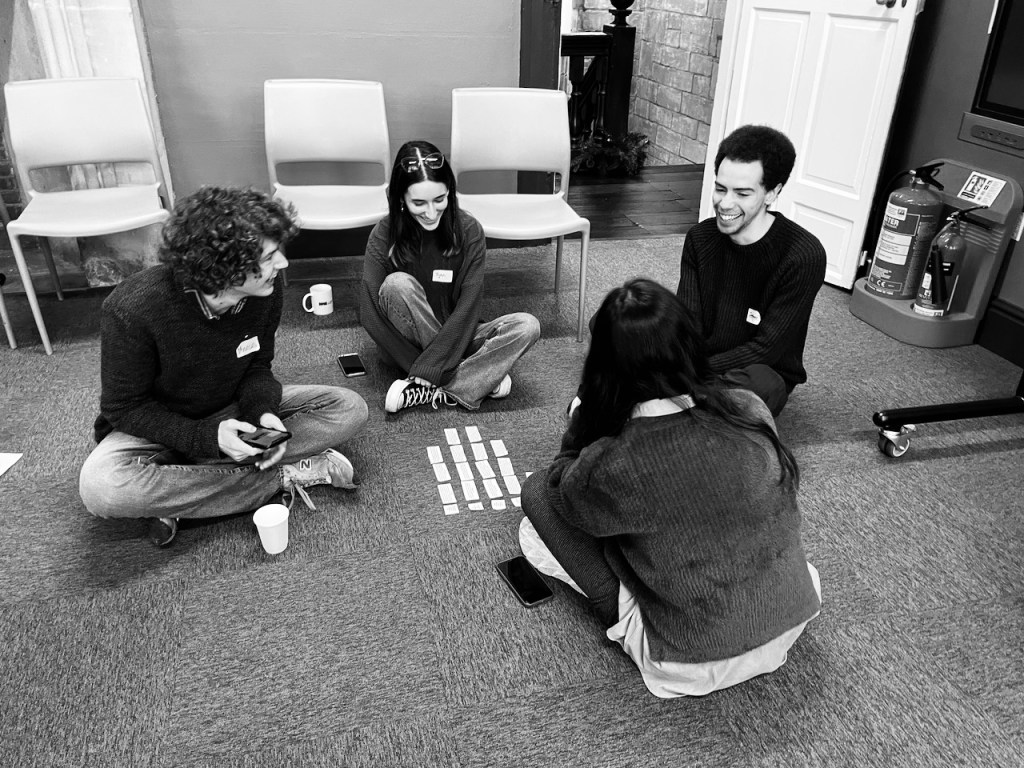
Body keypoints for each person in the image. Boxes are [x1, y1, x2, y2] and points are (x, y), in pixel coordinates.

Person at [520, 279, 821, 698]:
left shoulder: (614, 461)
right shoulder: (749, 408)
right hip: (790, 617)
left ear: (604, 370)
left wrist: (586, 420)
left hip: (688, 660)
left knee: (537, 492)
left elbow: (561, 489)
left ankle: (628, 621)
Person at [79, 186, 369, 546]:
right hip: (157, 428)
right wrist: (205, 438)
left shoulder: (265, 290)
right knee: (102, 488)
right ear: (222, 268)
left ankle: (180, 491)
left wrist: (262, 413)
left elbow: (258, 366)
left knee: (349, 408)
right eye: (269, 256)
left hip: (231, 411)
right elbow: (124, 408)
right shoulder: (133, 309)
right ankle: (278, 478)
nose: (283, 264)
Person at [359, 140, 540, 413]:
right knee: (397, 284)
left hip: (459, 332)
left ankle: (426, 386)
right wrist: (418, 365)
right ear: (400, 199)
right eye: (419, 203)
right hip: (408, 344)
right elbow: (369, 312)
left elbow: (469, 307)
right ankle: (477, 377)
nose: (431, 213)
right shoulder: (383, 234)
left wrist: (429, 370)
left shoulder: (469, 230)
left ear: (450, 193)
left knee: (527, 326)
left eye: (440, 200)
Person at [676, 124, 826, 416]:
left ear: (772, 193)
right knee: (619, 318)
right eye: (720, 189)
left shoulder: (803, 255)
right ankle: (685, 408)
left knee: (763, 384)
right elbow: (687, 321)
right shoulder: (700, 238)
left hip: (753, 371)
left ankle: (670, 404)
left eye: (742, 194)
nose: (725, 203)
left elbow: (766, 349)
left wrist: (684, 373)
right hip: (699, 363)